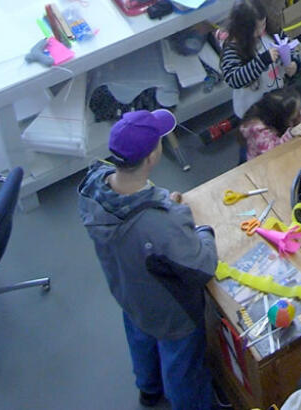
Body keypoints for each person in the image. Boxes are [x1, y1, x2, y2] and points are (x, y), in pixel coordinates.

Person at [78, 109, 219, 410]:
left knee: (140, 338)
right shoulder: (159, 223)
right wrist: (204, 231)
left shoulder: (92, 187)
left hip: (129, 293)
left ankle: (149, 390)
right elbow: (202, 265)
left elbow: (136, 214)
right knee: (182, 368)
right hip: (171, 311)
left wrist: (163, 203)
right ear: (152, 158)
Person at [220, 0, 297, 120]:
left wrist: (293, 62)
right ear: (242, 28)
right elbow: (233, 79)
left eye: (263, 24)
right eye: (255, 29)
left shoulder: (272, 31)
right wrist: (263, 60)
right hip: (252, 108)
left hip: (277, 97)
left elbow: (289, 46)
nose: (261, 31)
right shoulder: (233, 47)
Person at [239, 88, 301, 160]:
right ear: (280, 119)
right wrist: (291, 134)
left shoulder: (276, 113)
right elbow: (273, 152)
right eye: (294, 118)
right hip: (261, 163)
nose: (300, 117)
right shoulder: (257, 130)